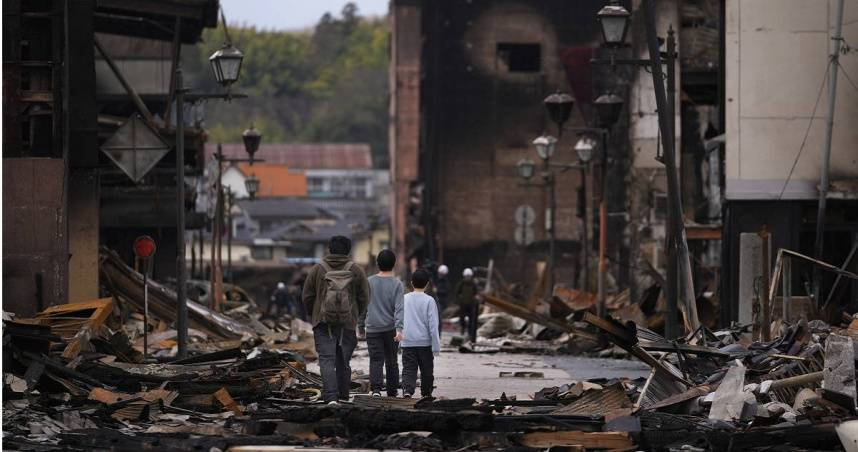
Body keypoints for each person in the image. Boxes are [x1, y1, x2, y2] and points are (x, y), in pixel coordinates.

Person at [302, 236, 370, 404]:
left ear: (329, 249)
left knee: (326, 360)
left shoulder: (317, 269)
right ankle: (343, 396)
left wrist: (316, 314)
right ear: (348, 251)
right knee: (343, 360)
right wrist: (354, 314)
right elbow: (365, 297)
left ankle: (331, 398)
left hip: (323, 323)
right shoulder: (356, 270)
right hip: (347, 323)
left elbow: (306, 296)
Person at [359, 249, 405, 397]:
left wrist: (360, 325)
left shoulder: (369, 281)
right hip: (391, 329)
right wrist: (399, 329)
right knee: (392, 361)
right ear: (394, 264)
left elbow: (363, 306)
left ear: (377, 263)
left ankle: (376, 390)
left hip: (372, 329)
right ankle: (392, 391)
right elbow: (399, 309)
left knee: (376, 360)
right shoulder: (397, 284)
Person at [400, 268, 441, 399]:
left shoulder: (404, 299)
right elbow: (433, 326)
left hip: (407, 341)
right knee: (427, 370)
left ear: (411, 282)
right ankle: (426, 393)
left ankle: (407, 390)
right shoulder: (429, 301)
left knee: (408, 369)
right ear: (427, 283)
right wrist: (436, 346)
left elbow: (398, 320)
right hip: (425, 343)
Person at [454, 268, 479, 343]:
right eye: (466, 276)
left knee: (471, 319)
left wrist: (475, 298)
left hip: (471, 304)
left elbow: (476, 293)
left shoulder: (473, 284)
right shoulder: (461, 284)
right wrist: (459, 300)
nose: (468, 278)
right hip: (463, 304)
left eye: (469, 276)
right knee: (462, 318)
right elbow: (456, 293)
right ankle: (462, 328)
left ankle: (470, 333)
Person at [434, 265, 451, 332]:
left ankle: (438, 333)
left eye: (441, 274)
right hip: (436, 301)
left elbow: (446, 291)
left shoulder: (446, 283)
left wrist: (437, 290)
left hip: (441, 302)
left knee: (438, 318)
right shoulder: (437, 281)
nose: (439, 275)